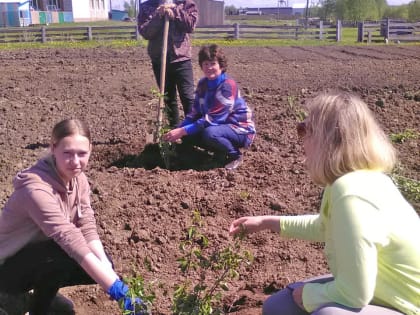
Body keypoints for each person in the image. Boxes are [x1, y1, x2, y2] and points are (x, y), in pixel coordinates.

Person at [229, 91, 420, 314]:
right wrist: (266, 222)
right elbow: (325, 227)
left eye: (305, 130)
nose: (301, 141)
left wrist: (310, 295)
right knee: (278, 306)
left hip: (408, 306)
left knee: (327, 313)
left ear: (327, 138)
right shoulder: (354, 181)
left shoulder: (352, 194)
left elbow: (355, 293)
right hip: (382, 292)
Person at [0, 119, 148, 315]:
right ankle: (14, 299)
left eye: (82, 154)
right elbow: (68, 237)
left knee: (100, 263)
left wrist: (110, 275)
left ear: (91, 149)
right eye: (67, 153)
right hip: (6, 268)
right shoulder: (35, 190)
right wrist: (118, 292)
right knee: (64, 254)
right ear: (53, 148)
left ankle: (39, 302)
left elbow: (85, 224)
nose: (76, 162)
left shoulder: (79, 180)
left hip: (35, 256)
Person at [163, 44, 256, 170]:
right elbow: (194, 113)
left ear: (221, 66)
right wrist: (178, 130)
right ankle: (219, 153)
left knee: (210, 133)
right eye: (206, 64)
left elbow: (213, 119)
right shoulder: (203, 84)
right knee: (189, 134)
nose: (209, 67)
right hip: (220, 127)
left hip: (239, 128)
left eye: (213, 63)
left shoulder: (227, 86)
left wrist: (181, 131)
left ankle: (234, 155)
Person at [137, 0, 198, 128]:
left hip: (181, 58)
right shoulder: (147, 7)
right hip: (159, 59)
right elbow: (145, 32)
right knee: (169, 98)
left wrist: (175, 10)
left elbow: (190, 25)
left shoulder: (185, 3)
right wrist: (158, 16)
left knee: (188, 97)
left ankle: (193, 131)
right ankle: (174, 131)